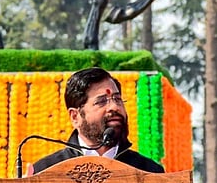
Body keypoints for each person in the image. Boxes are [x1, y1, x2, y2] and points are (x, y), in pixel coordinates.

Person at [30, 67, 165, 174]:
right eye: (101, 102)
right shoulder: (45, 171)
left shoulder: (149, 171)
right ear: (75, 116)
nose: (114, 107)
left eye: (117, 99)